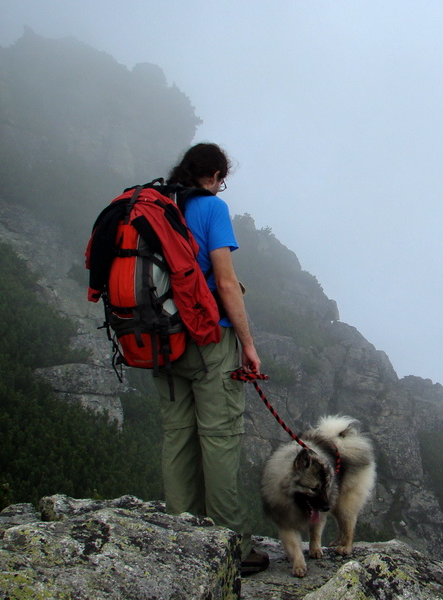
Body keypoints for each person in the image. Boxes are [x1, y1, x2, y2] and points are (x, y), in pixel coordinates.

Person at [156, 142, 268, 575]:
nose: (223, 186)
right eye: (223, 178)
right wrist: (248, 344)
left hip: (161, 340)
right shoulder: (211, 210)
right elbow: (225, 282)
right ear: (215, 175)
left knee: (177, 436)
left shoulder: (158, 206)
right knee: (219, 439)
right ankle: (229, 548)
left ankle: (181, 538)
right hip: (207, 339)